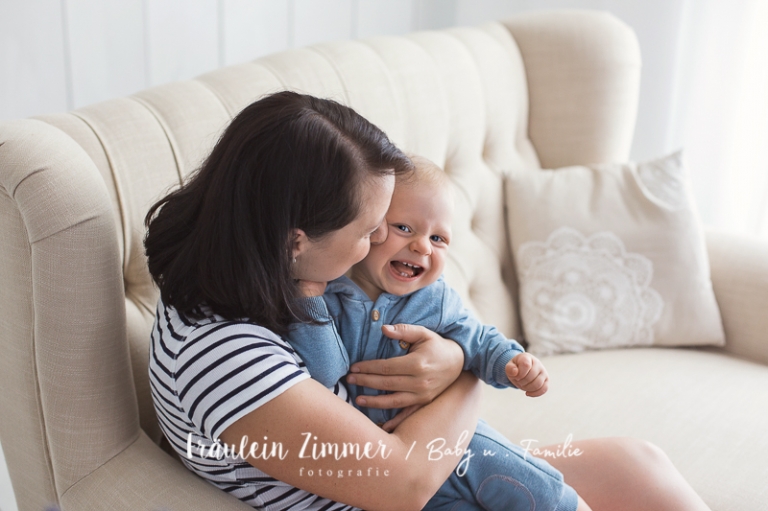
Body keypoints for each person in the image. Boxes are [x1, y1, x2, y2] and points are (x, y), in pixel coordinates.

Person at [144, 90, 712, 511]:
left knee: (641, 465)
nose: (375, 247)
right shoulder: (223, 354)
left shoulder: (242, 270)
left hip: (429, 455)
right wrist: (462, 368)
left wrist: (457, 354)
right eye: (369, 231)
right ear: (295, 239)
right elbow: (404, 483)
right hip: (404, 488)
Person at [287, 155, 578, 510]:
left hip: (452, 442)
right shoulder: (326, 295)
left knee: (526, 486)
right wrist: (310, 298)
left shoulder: (435, 299)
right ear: (367, 228)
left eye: (438, 238)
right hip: (391, 469)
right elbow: (324, 374)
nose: (422, 246)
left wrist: (512, 363)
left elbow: (480, 340)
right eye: (404, 228)